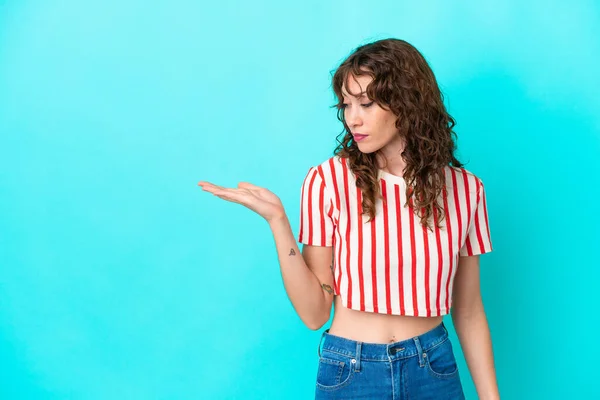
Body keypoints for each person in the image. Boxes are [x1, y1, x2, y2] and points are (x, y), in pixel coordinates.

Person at [199, 38, 500, 400]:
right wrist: (278, 223)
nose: (352, 118)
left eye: (367, 103)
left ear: (407, 103)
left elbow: (468, 311)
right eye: (346, 104)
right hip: (352, 370)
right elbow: (314, 314)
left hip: (433, 367)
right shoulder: (328, 181)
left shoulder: (466, 191)